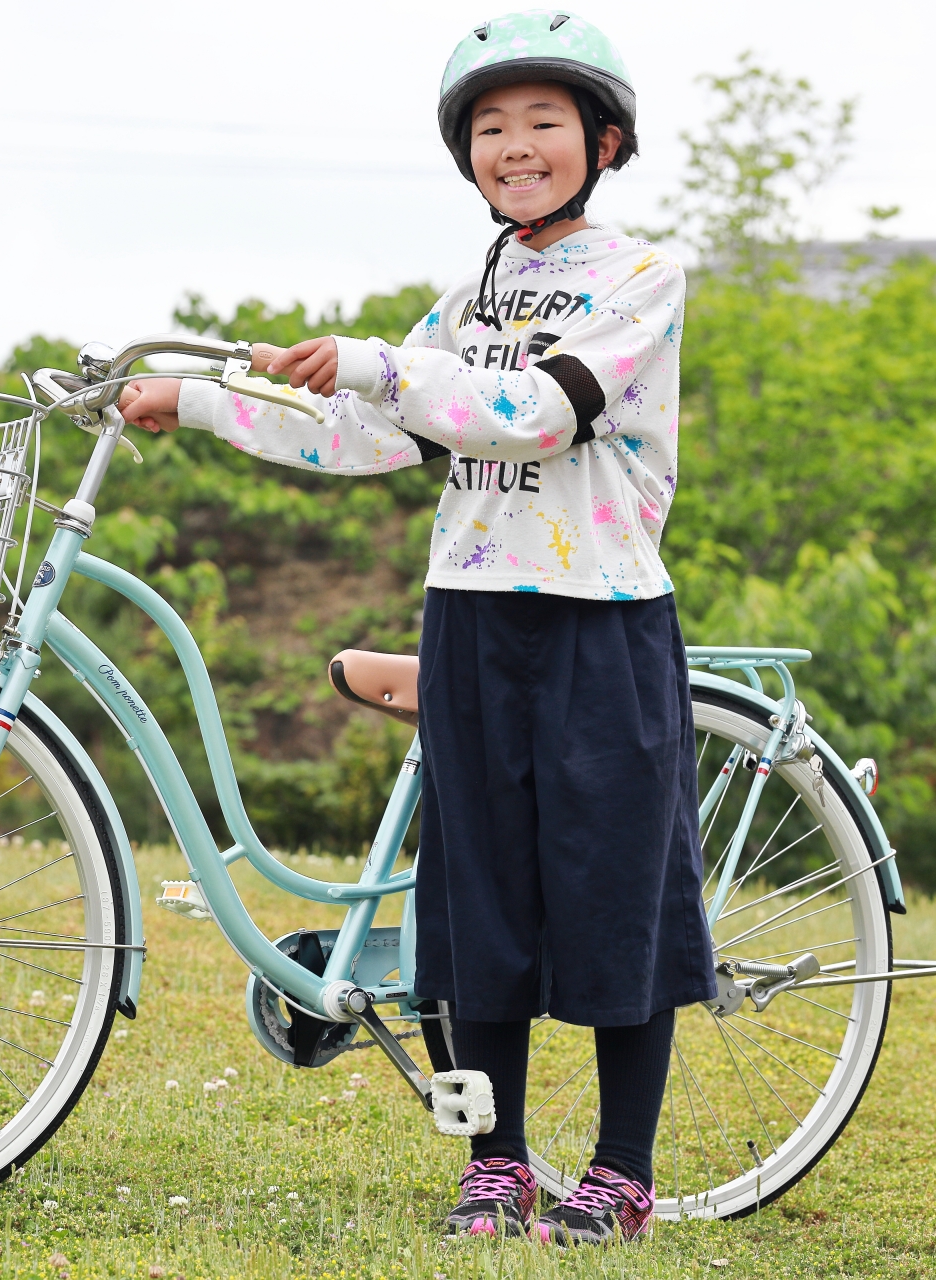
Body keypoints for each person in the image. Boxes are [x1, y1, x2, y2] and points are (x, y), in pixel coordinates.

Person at [117, 8, 712, 1249]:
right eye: (491, 128)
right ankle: (498, 1164)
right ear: (469, 157)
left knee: (614, 893)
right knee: (473, 898)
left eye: (544, 121)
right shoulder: (468, 298)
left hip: (602, 615)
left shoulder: (640, 281)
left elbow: (542, 411)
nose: (516, 145)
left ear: (603, 140)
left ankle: (622, 1167)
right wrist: (200, 399)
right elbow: (370, 430)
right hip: (474, 615)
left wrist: (383, 363)